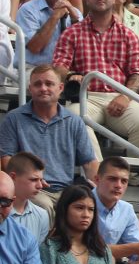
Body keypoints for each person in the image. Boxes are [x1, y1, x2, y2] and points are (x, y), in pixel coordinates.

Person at [54, 0, 139, 158]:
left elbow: (138, 73)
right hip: (85, 96)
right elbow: (59, 67)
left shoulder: (128, 35)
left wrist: (125, 96)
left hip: (119, 95)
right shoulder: (72, 33)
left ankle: (129, 174)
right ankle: (98, 175)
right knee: (75, 120)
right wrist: (70, 75)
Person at [0, 65, 97, 210]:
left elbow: (90, 163)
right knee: (44, 206)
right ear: (30, 88)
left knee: (87, 206)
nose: (43, 88)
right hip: (31, 190)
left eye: (49, 84)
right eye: (37, 84)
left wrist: (97, 191)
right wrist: (32, 181)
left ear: (61, 88)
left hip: (66, 191)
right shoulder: (13, 119)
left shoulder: (74, 121)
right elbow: (6, 160)